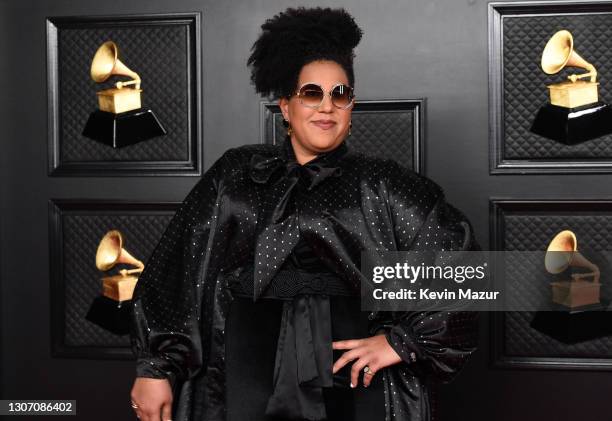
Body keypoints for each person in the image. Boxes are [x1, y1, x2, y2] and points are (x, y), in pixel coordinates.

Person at [129, 7, 478, 421]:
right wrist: (154, 368)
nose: (327, 107)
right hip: (242, 365)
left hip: (352, 373)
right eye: (312, 94)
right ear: (286, 106)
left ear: (351, 108)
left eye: (340, 95)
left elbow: (470, 271)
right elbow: (176, 271)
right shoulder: (236, 174)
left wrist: (401, 342)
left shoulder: (383, 184)